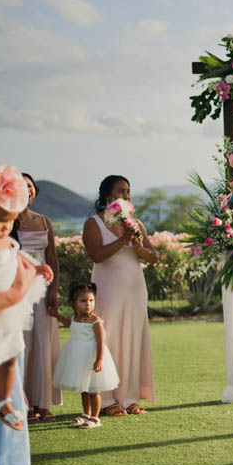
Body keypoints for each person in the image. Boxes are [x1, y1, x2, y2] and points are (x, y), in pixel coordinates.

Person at [82, 175, 157, 417]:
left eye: (128, 191)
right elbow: (95, 254)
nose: (126, 195)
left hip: (135, 291)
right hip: (107, 290)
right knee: (108, 340)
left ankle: (129, 397)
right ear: (107, 196)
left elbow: (153, 256)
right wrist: (123, 239)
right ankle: (105, 399)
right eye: (121, 190)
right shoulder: (94, 223)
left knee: (133, 341)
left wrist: (136, 244)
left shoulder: (135, 223)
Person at [0, 165, 52, 431]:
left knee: (11, 357)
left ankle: (3, 401)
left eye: (10, 221)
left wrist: (37, 270)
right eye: (0, 220)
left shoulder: (9, 242)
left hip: (8, 313)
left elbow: (20, 258)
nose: (6, 227)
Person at [13, 173, 62, 423]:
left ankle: (43, 404)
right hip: (16, 290)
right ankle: (24, 403)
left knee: (43, 344)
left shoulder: (44, 221)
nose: (26, 190)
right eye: (20, 185)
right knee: (24, 345)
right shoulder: (5, 222)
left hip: (43, 289)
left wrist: (53, 290)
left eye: (29, 186)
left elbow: (52, 258)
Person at [51, 282, 119, 430]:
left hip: (92, 357)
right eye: (83, 301)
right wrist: (56, 315)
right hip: (78, 358)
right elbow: (70, 324)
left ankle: (95, 417)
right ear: (73, 303)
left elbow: (101, 341)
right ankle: (86, 414)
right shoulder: (75, 318)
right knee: (84, 389)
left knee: (93, 390)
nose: (88, 304)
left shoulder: (95, 320)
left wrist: (99, 359)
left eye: (91, 300)